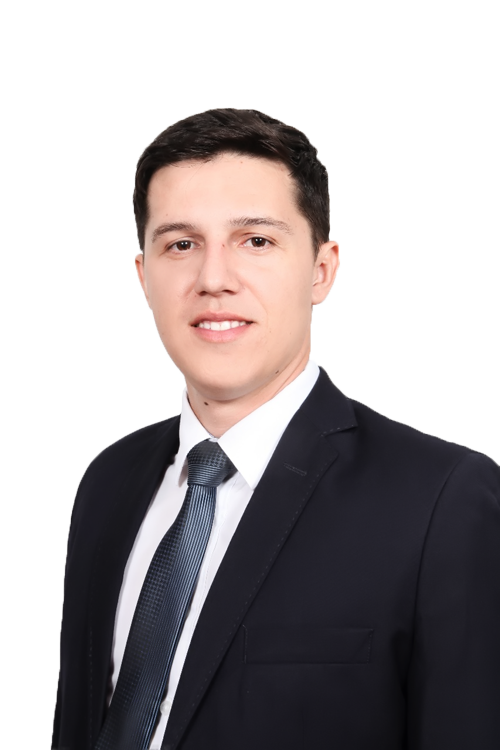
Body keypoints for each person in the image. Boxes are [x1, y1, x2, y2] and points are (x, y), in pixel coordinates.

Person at [52, 108, 500, 750]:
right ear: (144, 276)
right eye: (181, 244)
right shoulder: (108, 482)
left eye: (256, 241)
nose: (213, 279)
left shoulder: (441, 501)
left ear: (321, 269)